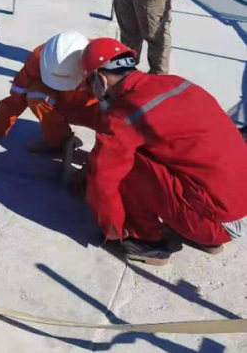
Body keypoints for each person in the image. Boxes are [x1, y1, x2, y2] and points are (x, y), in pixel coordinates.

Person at [80, 38, 247, 266]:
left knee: (127, 164)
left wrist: (112, 227)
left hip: (215, 223)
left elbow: (103, 180)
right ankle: (207, 235)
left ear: (100, 80)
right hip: (236, 206)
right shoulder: (176, 83)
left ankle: (148, 241)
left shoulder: (124, 115)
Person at [0, 32, 99, 163]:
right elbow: (16, 99)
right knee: (36, 94)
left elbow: (113, 116)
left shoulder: (103, 58)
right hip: (64, 105)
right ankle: (58, 141)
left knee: (107, 145)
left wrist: (98, 163)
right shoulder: (38, 58)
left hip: (94, 111)